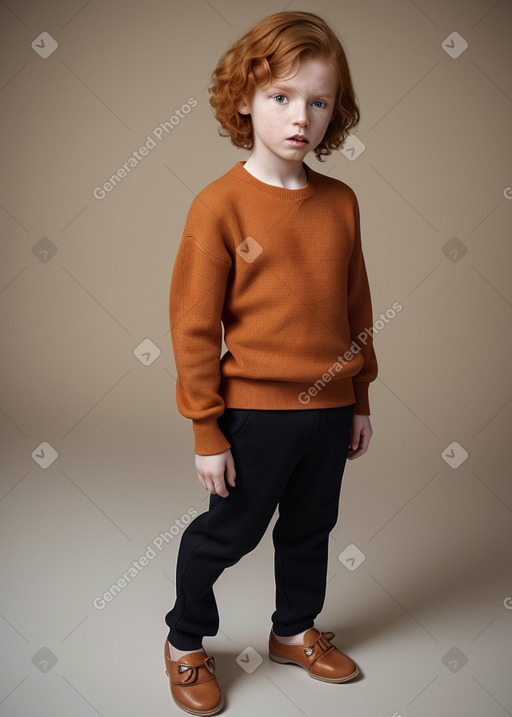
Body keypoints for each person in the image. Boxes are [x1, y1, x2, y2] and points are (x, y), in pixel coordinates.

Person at [164, 10, 378, 715]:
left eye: (318, 102)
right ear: (245, 99)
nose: (300, 117)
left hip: (329, 408)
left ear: (334, 112)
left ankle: (293, 629)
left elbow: (356, 308)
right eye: (282, 97)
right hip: (253, 413)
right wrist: (206, 428)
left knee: (311, 530)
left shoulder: (341, 203)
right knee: (227, 534)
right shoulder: (219, 205)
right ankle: (185, 639)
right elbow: (194, 327)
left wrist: (361, 396)